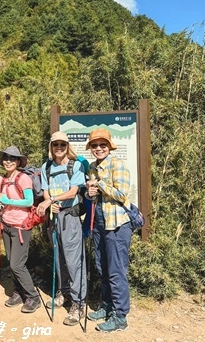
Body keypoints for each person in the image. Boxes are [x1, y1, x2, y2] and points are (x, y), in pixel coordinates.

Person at [84, 128, 132, 332]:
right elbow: (95, 197)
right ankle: (107, 306)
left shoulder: (117, 164)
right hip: (100, 222)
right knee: (102, 266)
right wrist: (90, 193)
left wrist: (101, 184)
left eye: (103, 145)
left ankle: (120, 317)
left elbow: (122, 194)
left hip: (117, 224)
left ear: (109, 146)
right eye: (95, 145)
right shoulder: (93, 168)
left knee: (116, 270)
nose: (98, 148)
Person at [37, 131, 87, 326]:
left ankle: (78, 303)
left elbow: (74, 192)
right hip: (54, 218)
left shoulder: (76, 166)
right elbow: (46, 190)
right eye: (55, 144)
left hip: (71, 218)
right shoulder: (46, 167)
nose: (59, 147)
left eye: (62, 144)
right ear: (51, 147)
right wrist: (51, 203)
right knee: (59, 258)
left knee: (74, 261)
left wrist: (52, 200)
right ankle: (63, 292)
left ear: (68, 146)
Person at [0, 146, 42, 313]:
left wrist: (7, 200)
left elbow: (28, 202)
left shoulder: (24, 179)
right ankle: (19, 292)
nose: (8, 161)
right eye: (6, 158)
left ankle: (33, 296)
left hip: (21, 226)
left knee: (16, 264)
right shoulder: (1, 179)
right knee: (11, 262)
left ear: (19, 161)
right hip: (6, 225)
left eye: (12, 159)